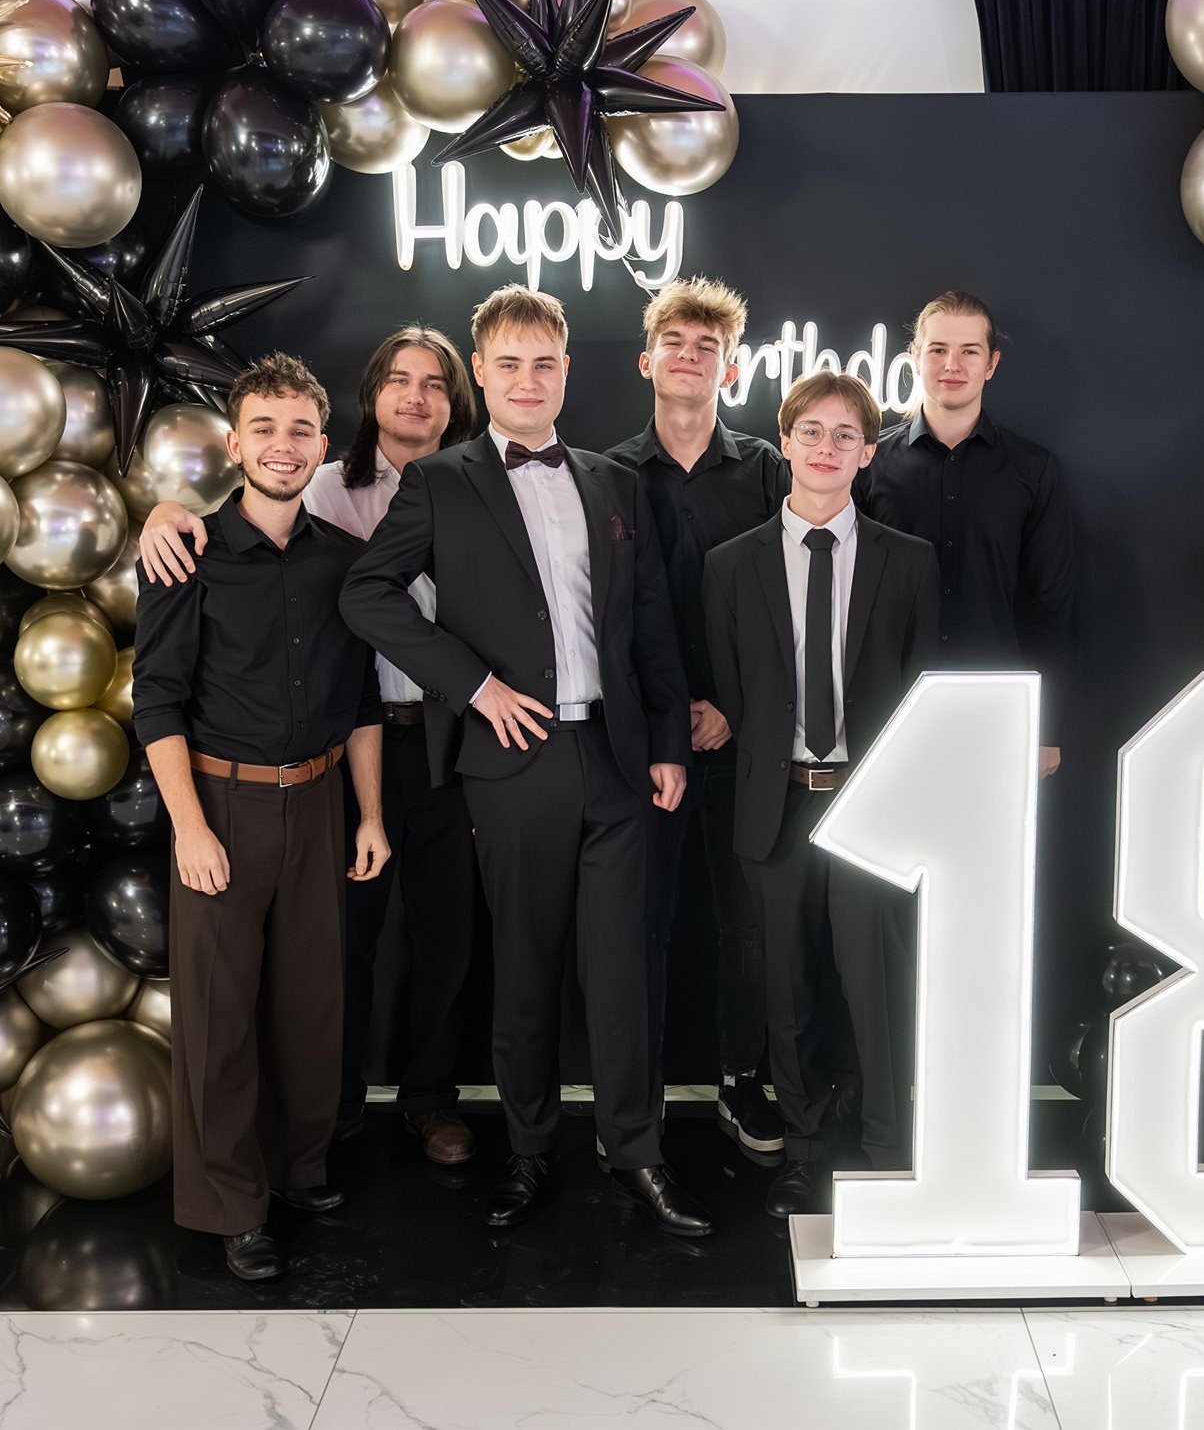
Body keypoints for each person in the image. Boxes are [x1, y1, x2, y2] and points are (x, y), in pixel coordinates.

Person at [340, 285, 714, 1237]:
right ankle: (531, 1149)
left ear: (566, 372)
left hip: (618, 756)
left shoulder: (614, 482)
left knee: (623, 970)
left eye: (543, 363)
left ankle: (637, 1151)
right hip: (514, 760)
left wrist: (668, 741)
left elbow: (650, 623)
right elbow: (367, 593)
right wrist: (473, 687)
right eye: (508, 364)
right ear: (481, 373)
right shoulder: (441, 481)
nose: (527, 379)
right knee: (527, 968)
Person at [136, 327, 487, 1169]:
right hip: (328, 752)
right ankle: (331, 1114)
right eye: (398, 379)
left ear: (454, 402)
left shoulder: (480, 494)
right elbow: (244, 519)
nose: (416, 396)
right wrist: (164, 509)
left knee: (445, 934)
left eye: (434, 383)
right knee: (332, 953)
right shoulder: (324, 488)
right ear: (371, 398)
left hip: (441, 741)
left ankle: (424, 1102)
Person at [132, 352, 389, 1282]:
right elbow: (157, 700)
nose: (285, 446)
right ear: (235, 445)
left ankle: (298, 1166)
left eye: (301, 430)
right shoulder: (186, 554)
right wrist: (190, 828)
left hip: (320, 799)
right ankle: (234, 1203)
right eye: (266, 429)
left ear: (323, 446)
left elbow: (361, 700)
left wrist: (369, 815)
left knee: (311, 1005)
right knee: (221, 1016)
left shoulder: (344, 563)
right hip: (222, 805)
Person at [703, 370, 940, 1218]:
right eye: (811, 431)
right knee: (788, 988)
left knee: (874, 985)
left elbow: (920, 689)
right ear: (785, 442)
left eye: (846, 435)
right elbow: (732, 691)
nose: (827, 447)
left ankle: (885, 1147)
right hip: (778, 803)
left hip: (868, 800)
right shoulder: (730, 566)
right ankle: (803, 1149)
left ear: (868, 453)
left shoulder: (909, 561)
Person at [603, 277, 787, 1161]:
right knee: (638, 923)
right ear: (647, 362)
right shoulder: (605, 476)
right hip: (642, 746)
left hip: (743, 743)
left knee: (746, 924)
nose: (688, 355)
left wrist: (733, 709)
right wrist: (663, 717)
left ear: (731, 369)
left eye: (706, 346)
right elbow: (599, 618)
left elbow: (792, 606)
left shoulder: (767, 471)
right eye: (673, 342)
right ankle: (632, 1099)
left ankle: (741, 1078)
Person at [856, 291, 1074, 776]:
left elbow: (1049, 606)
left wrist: (1046, 727)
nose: (951, 365)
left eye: (969, 351)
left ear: (991, 364)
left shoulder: (1034, 470)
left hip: (996, 702)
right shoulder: (868, 464)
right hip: (886, 703)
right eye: (937, 349)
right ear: (915, 357)